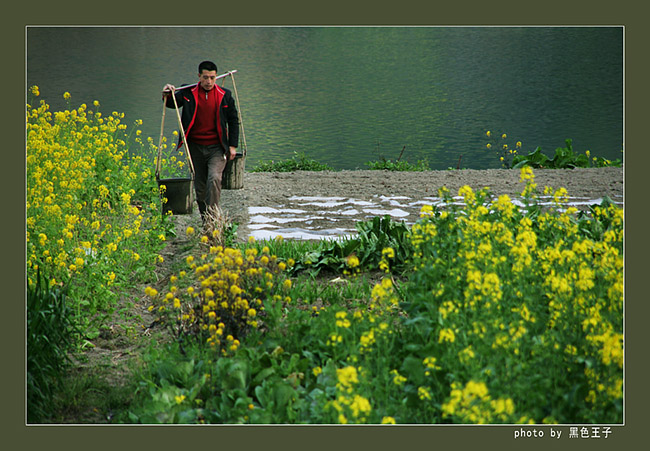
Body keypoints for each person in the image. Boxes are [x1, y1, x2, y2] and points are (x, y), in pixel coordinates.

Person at [162, 60, 239, 222]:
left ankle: (213, 218)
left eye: (212, 78)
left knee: (214, 178)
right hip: (194, 147)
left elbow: (233, 120)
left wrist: (232, 146)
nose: (209, 82)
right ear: (199, 76)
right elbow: (171, 104)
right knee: (201, 187)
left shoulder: (225, 95)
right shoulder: (188, 91)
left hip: (217, 147)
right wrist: (167, 93)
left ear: (216, 77)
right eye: (205, 77)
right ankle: (206, 218)